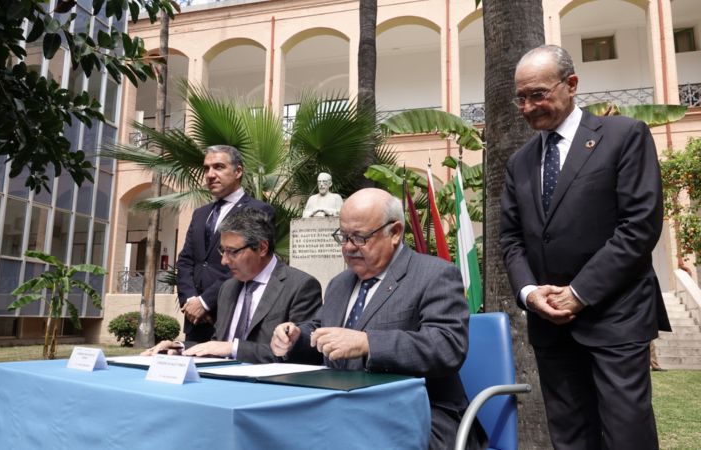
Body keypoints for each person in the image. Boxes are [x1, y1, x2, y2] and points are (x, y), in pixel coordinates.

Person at [499, 44, 671, 450]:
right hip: (550, 323)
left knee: (626, 434)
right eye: (520, 97)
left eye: (538, 94)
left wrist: (579, 293)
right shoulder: (520, 162)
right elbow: (511, 239)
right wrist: (529, 293)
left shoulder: (624, 136)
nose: (527, 107)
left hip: (616, 317)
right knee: (570, 437)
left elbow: (639, 226)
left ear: (571, 84)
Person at [271, 188, 486, 450]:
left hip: (418, 413)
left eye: (360, 238)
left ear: (394, 232)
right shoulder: (340, 283)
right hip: (343, 408)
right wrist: (296, 338)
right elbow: (321, 329)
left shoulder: (435, 275)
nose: (349, 247)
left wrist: (369, 343)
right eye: (343, 236)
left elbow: (447, 346)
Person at [144, 209, 322, 362]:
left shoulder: (300, 286)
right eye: (223, 251)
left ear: (262, 248)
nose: (224, 260)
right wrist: (180, 348)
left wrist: (233, 349)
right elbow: (217, 344)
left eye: (232, 252)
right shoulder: (228, 288)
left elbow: (299, 355)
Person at [176, 145, 275, 343]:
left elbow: (250, 265)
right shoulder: (200, 214)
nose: (210, 175)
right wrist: (191, 301)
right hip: (194, 320)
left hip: (231, 315)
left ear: (238, 171)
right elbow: (186, 260)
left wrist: (206, 302)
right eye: (206, 168)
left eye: (218, 167)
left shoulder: (259, 210)